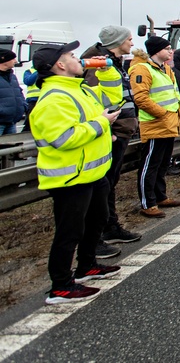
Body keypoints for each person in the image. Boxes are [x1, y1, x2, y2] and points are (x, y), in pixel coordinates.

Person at [29, 41, 122, 304]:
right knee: (69, 231)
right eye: (71, 55)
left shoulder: (79, 89)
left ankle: (87, 267)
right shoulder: (54, 98)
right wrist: (101, 123)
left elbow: (112, 98)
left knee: (97, 220)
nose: (77, 58)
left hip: (92, 173)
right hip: (70, 178)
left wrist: (107, 70)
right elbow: (63, 138)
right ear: (60, 64)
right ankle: (60, 286)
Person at [81, 25, 143, 254]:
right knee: (101, 186)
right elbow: (93, 101)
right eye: (129, 39)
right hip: (109, 132)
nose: (132, 43)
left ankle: (109, 226)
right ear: (117, 41)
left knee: (109, 184)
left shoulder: (114, 64)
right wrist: (107, 128)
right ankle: (96, 237)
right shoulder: (97, 65)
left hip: (118, 131)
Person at [130, 37, 180, 218]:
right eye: (167, 49)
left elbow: (174, 94)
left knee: (163, 163)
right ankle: (148, 202)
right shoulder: (142, 69)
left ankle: (161, 196)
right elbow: (141, 98)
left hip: (170, 123)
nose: (171, 52)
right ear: (156, 51)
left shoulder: (166, 69)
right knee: (150, 165)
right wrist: (162, 113)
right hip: (156, 124)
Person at [0, 49, 25, 135]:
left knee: (11, 148)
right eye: (13, 58)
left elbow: (19, 92)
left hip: (12, 122)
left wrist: (23, 105)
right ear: (4, 60)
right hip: (1, 122)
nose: (16, 61)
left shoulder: (12, 76)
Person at [21, 66, 40, 132]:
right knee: (29, 122)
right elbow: (28, 81)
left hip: (46, 99)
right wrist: (39, 70)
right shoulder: (29, 71)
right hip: (33, 101)